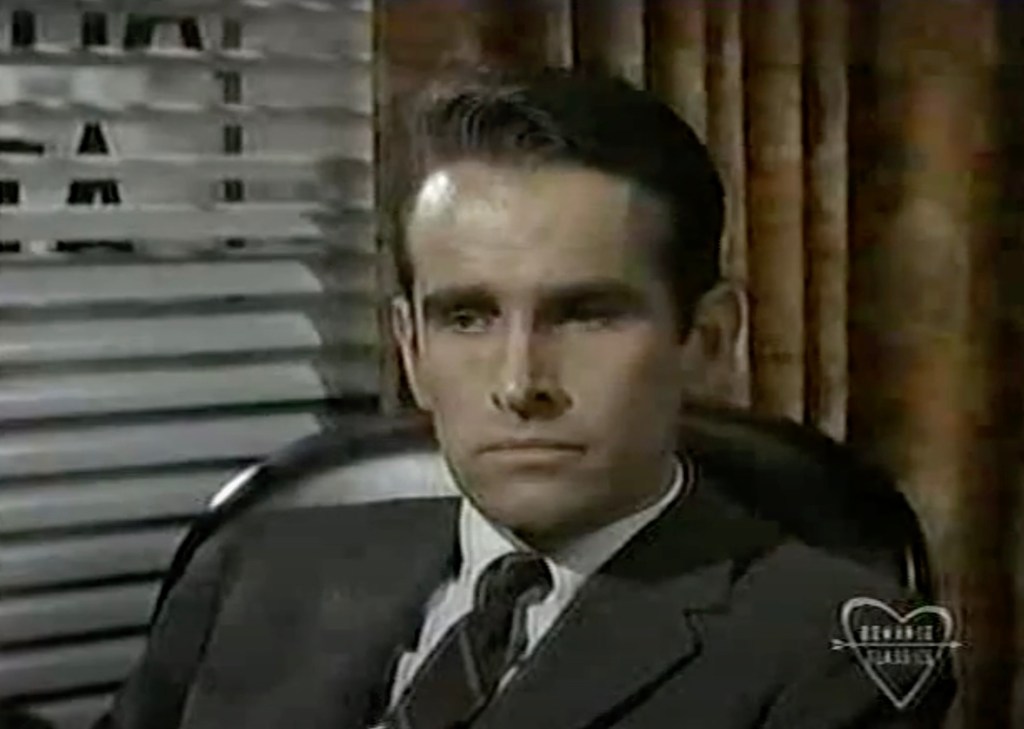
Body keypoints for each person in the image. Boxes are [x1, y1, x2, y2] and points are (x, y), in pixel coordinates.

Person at [97, 67, 954, 729]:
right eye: (467, 317)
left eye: (586, 315)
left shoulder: (834, 648)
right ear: (411, 347)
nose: (519, 384)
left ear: (706, 340)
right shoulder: (257, 566)